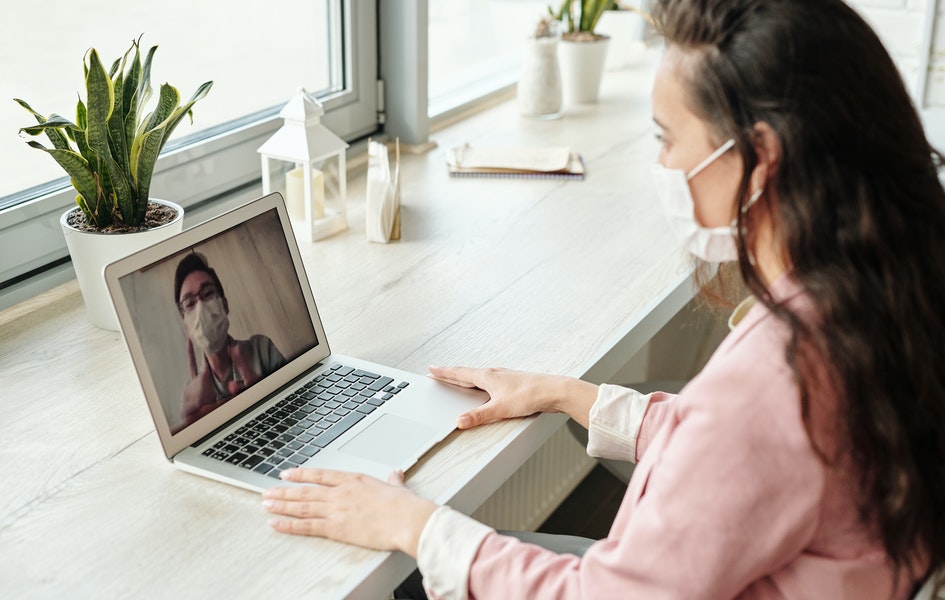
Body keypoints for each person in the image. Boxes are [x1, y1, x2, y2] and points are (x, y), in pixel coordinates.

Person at [259, 0, 945, 597]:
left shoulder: (780, 374)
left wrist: (410, 522)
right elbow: (741, 459)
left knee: (405, 577)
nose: (660, 166)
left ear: (758, 158)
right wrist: (567, 394)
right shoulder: (879, 294)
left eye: (667, 138)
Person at [174, 252, 286, 428]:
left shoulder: (261, 349)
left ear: (224, 305)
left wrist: (262, 397)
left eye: (208, 293)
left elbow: (297, 403)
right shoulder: (193, 395)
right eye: (189, 303)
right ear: (186, 327)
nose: (201, 307)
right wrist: (189, 421)